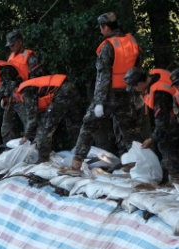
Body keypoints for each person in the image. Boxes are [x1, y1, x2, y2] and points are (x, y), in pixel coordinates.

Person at [70, 12, 142, 173]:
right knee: (130, 132)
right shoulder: (132, 41)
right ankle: (135, 166)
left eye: (101, 28)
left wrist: (99, 102)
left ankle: (75, 165)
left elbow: (103, 77)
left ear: (106, 27)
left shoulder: (108, 46)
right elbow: (138, 70)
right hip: (128, 93)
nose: (100, 31)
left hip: (109, 94)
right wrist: (137, 94)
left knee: (88, 126)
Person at [124, 67, 179, 184]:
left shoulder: (160, 94)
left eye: (134, 87)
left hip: (174, 120)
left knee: (165, 143)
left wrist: (152, 139)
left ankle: (177, 178)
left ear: (140, 83)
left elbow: (162, 122)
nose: (134, 90)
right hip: (175, 116)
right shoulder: (154, 78)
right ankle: (167, 174)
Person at [15, 74, 82, 162]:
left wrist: (26, 136)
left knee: (45, 128)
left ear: (15, 91)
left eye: (13, 98)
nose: (15, 101)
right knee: (74, 126)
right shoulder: (30, 88)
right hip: (71, 89)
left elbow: (32, 118)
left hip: (61, 92)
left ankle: (43, 159)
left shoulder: (26, 92)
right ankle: (80, 154)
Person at [2, 30, 43, 144]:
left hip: (26, 95)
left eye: (13, 44)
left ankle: (33, 149)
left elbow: (36, 78)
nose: (11, 47)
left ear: (19, 42)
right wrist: (11, 91)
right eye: (9, 45)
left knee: (29, 126)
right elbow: (7, 77)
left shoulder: (30, 57)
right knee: (6, 126)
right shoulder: (11, 57)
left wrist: (24, 91)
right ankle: (9, 149)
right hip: (13, 95)